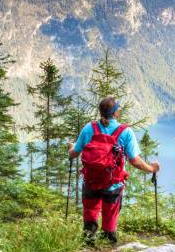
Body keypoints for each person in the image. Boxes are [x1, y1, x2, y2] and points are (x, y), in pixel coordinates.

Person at [68, 96, 159, 244]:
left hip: (90, 181)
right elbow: (134, 160)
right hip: (113, 184)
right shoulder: (125, 132)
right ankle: (109, 246)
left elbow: (74, 153)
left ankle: (88, 243)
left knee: (90, 212)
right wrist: (151, 168)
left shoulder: (88, 128)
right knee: (110, 217)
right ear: (116, 112)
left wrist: (71, 147)